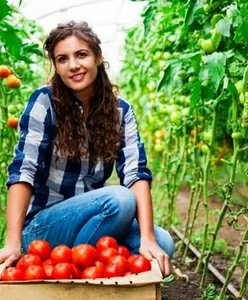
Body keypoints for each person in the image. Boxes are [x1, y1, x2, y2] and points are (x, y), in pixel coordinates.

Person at [0, 21, 174, 277]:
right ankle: (75, 271)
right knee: (120, 200)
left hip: (91, 220)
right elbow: (23, 171)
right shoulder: (44, 102)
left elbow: (136, 173)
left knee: (163, 243)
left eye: (81, 54)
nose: (73, 65)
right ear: (56, 67)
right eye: (62, 59)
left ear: (98, 57)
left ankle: (68, 266)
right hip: (44, 225)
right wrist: (12, 241)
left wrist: (147, 237)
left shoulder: (120, 111)